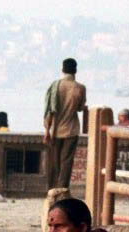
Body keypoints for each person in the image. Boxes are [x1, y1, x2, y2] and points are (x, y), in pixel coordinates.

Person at [43, 57, 87, 189]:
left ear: (62, 69)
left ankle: (52, 189)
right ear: (75, 70)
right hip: (71, 130)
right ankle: (62, 189)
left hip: (56, 130)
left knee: (54, 162)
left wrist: (47, 131)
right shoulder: (80, 88)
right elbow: (80, 108)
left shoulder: (55, 86)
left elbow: (49, 110)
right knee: (66, 162)